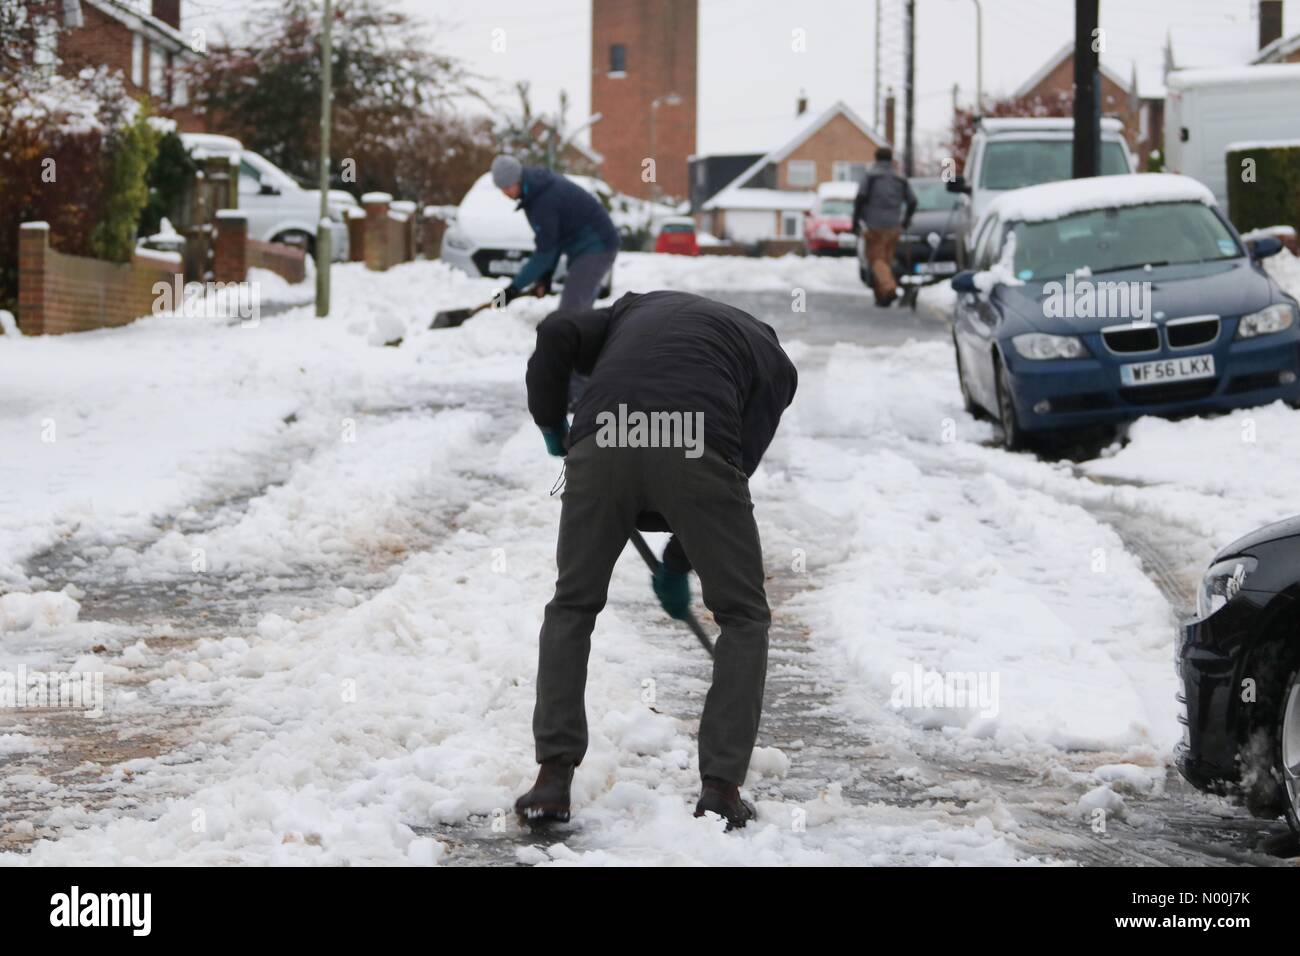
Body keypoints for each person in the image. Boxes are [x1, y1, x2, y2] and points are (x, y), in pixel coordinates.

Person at [516, 290, 798, 831]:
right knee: (742, 616)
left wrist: (552, 423)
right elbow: (729, 469)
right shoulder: (771, 366)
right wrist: (678, 563)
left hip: (604, 439)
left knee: (572, 605)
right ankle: (720, 789)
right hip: (694, 442)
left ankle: (552, 779)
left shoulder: (626, 315)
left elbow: (554, 333)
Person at [490, 155, 619, 313]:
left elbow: (545, 252)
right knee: (576, 311)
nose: (506, 192)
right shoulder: (534, 191)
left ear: (518, 178)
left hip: (597, 246)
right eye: (502, 188)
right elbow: (553, 239)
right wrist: (546, 275)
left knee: (572, 310)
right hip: (585, 247)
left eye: (509, 186)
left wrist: (512, 289)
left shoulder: (542, 200)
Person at [852, 146, 918, 307]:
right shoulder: (899, 178)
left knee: (876, 260)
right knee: (885, 262)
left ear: (876, 158)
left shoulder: (871, 176)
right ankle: (882, 298)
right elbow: (913, 201)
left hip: (874, 226)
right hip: (894, 226)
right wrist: (906, 219)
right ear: (890, 159)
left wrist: (855, 221)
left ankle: (889, 288)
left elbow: (860, 198)